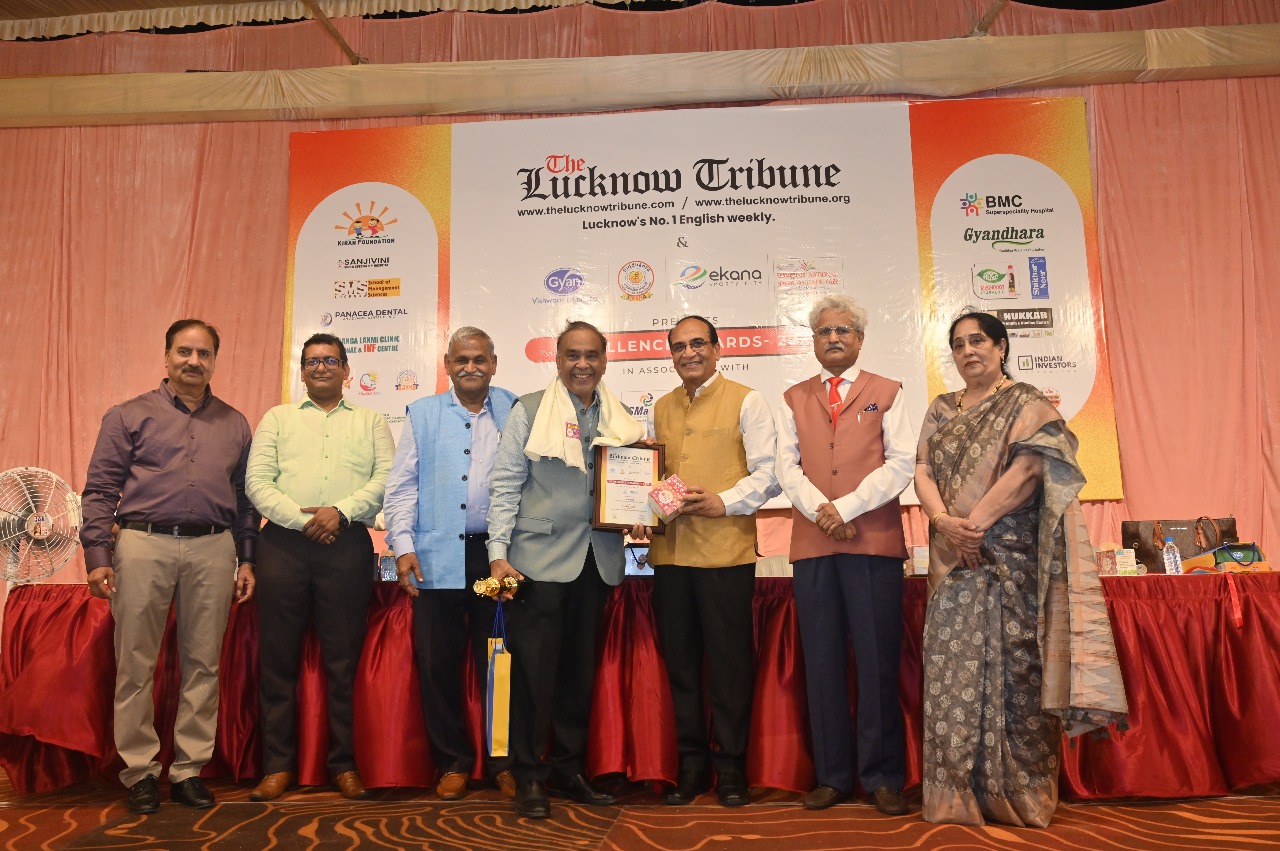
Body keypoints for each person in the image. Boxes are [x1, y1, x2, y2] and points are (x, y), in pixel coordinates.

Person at [914, 311, 1127, 827]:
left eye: (978, 341)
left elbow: (1030, 468)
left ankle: (1020, 796)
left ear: (1001, 347)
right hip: (952, 562)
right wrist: (945, 523)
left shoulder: (1027, 403)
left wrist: (974, 526)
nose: (969, 351)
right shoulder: (940, 408)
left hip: (1009, 563)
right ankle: (955, 798)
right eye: (959, 344)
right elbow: (922, 469)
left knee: (1017, 675)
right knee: (949, 674)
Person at [81, 319, 258, 814]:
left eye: (204, 354)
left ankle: (188, 770)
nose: (193, 361)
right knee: (136, 662)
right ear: (166, 356)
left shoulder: (235, 423)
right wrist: (98, 555)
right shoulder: (128, 415)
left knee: (204, 663)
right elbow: (100, 490)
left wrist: (247, 556)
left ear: (215, 361)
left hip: (214, 548)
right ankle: (139, 771)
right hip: (142, 544)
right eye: (184, 351)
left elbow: (246, 500)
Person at [486, 320, 645, 818]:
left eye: (592, 355)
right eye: (572, 355)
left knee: (578, 674)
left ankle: (568, 769)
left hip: (597, 562)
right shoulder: (529, 409)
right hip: (537, 563)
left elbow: (631, 484)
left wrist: (642, 511)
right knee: (533, 675)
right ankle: (530, 774)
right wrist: (497, 553)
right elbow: (505, 484)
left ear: (605, 361)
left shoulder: (620, 417)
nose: (582, 364)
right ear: (557, 361)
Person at [774, 294, 914, 815]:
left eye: (844, 330)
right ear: (813, 341)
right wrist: (822, 512)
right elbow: (786, 468)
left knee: (878, 662)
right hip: (814, 545)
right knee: (822, 661)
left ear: (860, 339)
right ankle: (832, 776)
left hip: (873, 544)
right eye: (824, 331)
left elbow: (902, 463)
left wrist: (847, 508)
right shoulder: (792, 397)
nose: (834, 338)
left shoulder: (889, 391)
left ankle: (882, 777)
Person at [636, 315, 779, 808]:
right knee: (680, 667)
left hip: (724, 554)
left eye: (698, 343)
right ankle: (692, 766)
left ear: (718, 350)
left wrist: (725, 501)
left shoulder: (747, 400)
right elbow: (656, 479)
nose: (689, 353)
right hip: (670, 556)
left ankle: (732, 767)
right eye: (679, 346)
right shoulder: (660, 407)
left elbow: (769, 475)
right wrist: (639, 514)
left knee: (728, 667)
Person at [245, 333, 393, 802]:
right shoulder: (277, 419)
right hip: (282, 548)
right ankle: (278, 766)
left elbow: (385, 479)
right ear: (303, 371)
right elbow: (257, 483)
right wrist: (304, 520)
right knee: (278, 661)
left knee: (342, 663)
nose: (321, 367)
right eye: (312, 361)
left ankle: (343, 764)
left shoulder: (371, 422)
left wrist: (341, 513)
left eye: (331, 360)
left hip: (347, 546)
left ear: (347, 371)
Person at [383, 327, 518, 801]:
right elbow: (402, 486)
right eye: (461, 360)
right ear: (447, 365)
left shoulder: (516, 409)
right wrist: (402, 546)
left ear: (494, 363)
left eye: (479, 359)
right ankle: (453, 762)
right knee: (436, 664)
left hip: (496, 556)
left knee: (500, 663)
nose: (470, 367)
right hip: (436, 555)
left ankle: (503, 762)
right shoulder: (422, 413)